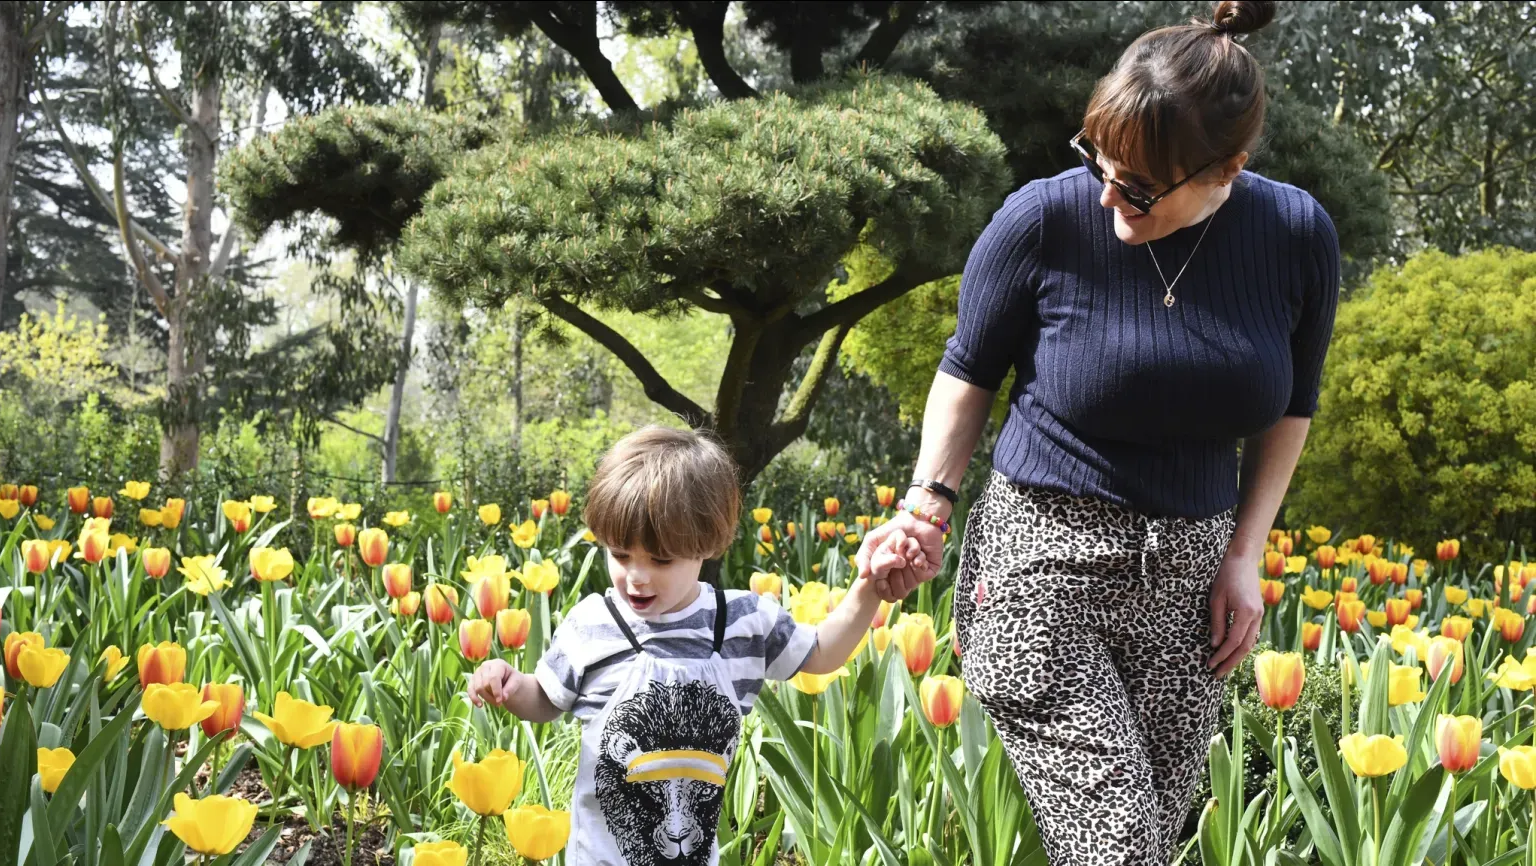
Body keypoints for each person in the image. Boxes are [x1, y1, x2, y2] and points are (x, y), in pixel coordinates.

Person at [855, 1, 1340, 863]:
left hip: (1187, 589)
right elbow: (968, 371)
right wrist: (926, 507)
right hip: (1041, 567)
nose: (1110, 195)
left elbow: (1292, 405)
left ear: (1227, 167)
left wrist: (1245, 553)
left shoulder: (1296, 235)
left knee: (1147, 839)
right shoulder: (1044, 218)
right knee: (1118, 848)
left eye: (1143, 185)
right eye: (1100, 163)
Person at [469, 425, 916, 866]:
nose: (636, 576)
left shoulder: (742, 624)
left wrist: (868, 589)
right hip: (601, 857)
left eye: (661, 559)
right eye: (620, 555)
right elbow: (547, 700)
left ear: (708, 545)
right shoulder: (594, 622)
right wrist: (510, 686)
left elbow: (821, 654)